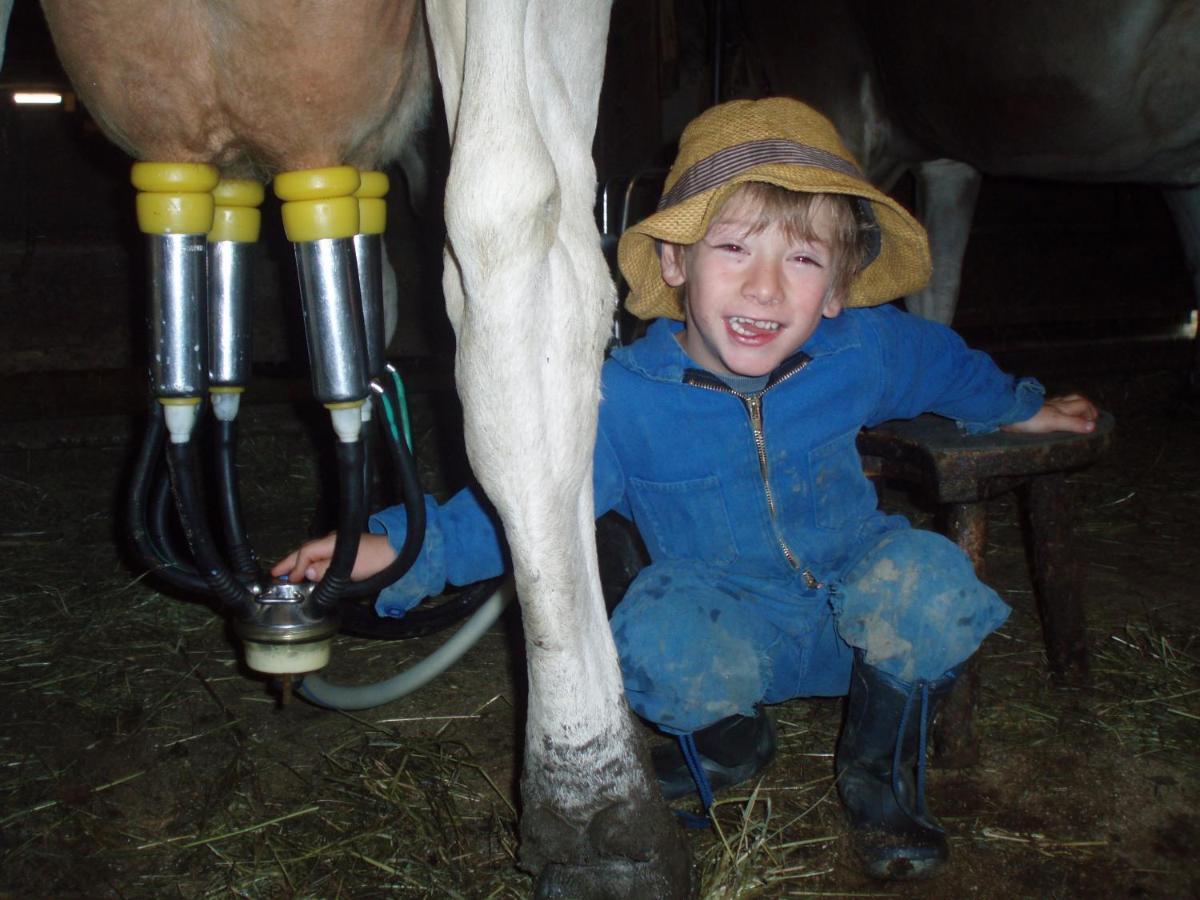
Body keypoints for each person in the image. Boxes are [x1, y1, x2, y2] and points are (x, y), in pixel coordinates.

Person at [273, 98, 1098, 880]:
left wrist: (1022, 408)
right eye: (735, 247)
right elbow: (534, 505)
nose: (766, 288)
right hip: (724, 631)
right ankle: (727, 746)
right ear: (675, 260)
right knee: (652, 629)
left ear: (838, 288)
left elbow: (941, 363)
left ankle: (877, 780)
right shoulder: (623, 398)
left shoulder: (862, 349)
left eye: (803, 259)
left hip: (856, 616)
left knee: (930, 578)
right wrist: (398, 548)